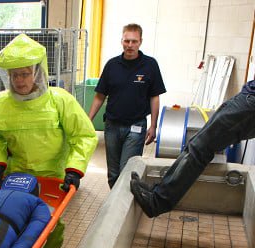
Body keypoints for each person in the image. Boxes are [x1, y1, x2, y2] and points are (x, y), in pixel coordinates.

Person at [0, 33, 98, 248]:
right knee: (15, 230)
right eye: (14, 75)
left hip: (53, 178)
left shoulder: (60, 101)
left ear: (37, 72)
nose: (19, 81)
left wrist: (74, 169)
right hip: (17, 178)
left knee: (50, 228)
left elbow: (83, 135)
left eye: (25, 73)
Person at [131, 79, 255, 218]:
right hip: (247, 98)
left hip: (250, 104)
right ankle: (158, 191)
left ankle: (157, 202)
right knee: (195, 144)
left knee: (200, 149)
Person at [87, 23, 166, 189]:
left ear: (140, 42)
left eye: (134, 41)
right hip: (112, 126)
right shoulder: (112, 65)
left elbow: (154, 97)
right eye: (127, 41)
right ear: (121, 41)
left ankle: (123, 202)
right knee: (113, 173)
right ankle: (116, 201)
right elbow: (100, 96)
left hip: (136, 126)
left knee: (127, 170)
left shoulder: (150, 65)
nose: (130, 45)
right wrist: (88, 120)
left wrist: (153, 126)